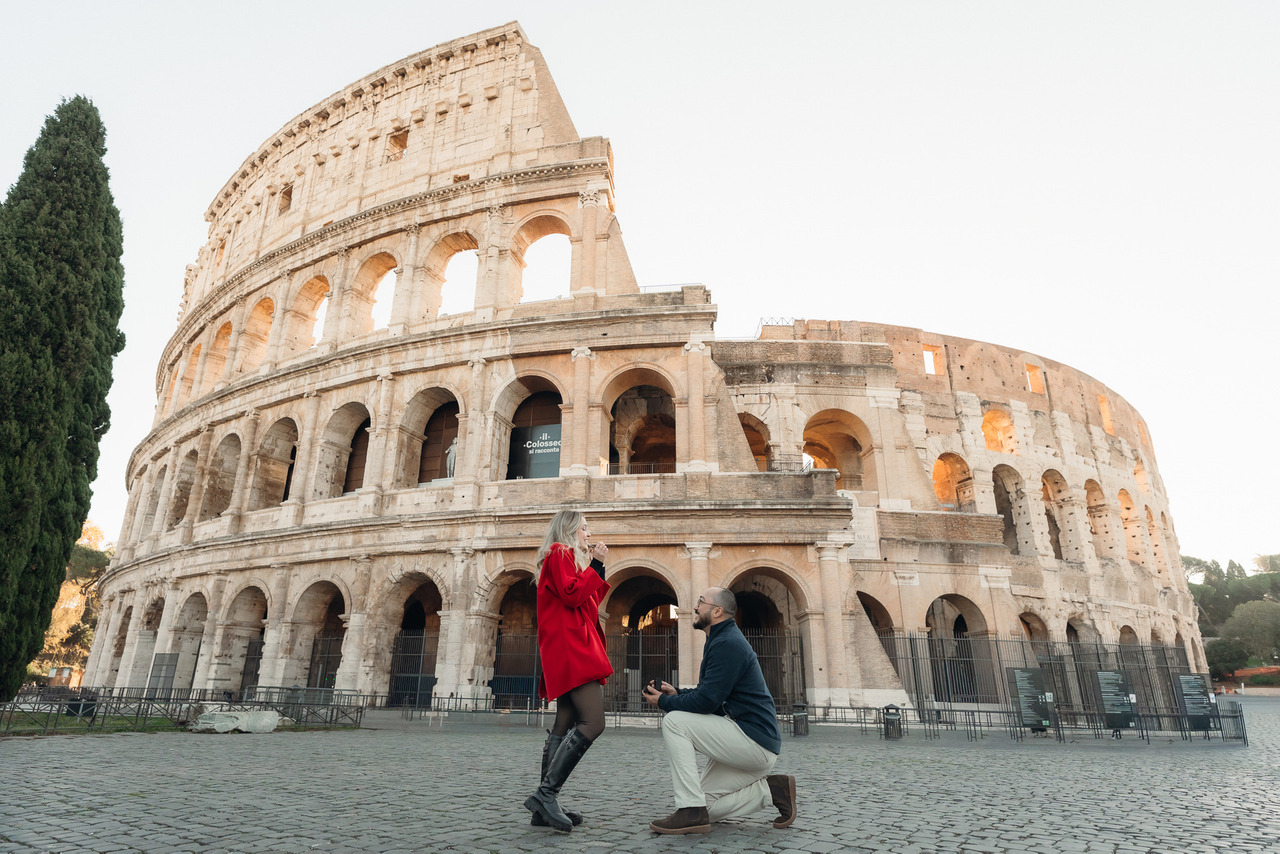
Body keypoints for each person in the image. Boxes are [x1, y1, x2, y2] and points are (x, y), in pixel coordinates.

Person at [642, 587, 797, 834]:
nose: (694, 607)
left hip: (753, 741)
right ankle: (772, 790)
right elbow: (711, 694)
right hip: (748, 741)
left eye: (700, 602)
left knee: (674, 721)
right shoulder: (721, 640)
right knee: (708, 808)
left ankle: (689, 810)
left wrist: (664, 703)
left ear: (717, 611)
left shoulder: (728, 644)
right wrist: (678, 694)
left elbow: (706, 703)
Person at [523, 509, 613, 832]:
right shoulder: (559, 552)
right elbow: (574, 596)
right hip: (572, 646)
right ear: (570, 529)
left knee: (565, 720)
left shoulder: (565, 560)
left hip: (567, 644)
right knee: (593, 721)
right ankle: (546, 794)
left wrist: (593, 568)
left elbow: (587, 597)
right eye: (585, 528)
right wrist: (598, 565)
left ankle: (543, 807)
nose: (589, 534)